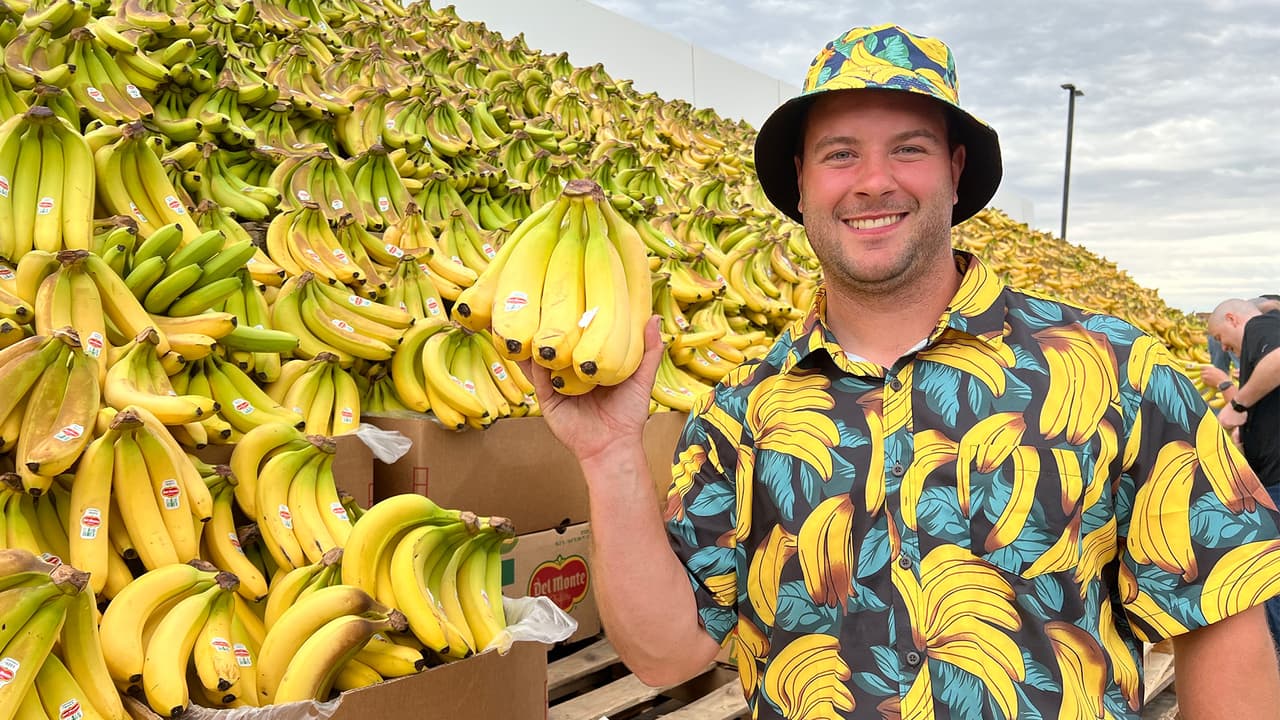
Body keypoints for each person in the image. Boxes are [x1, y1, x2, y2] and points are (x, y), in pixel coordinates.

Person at [525, 24, 1280, 719]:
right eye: (840, 153)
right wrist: (610, 456)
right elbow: (666, 653)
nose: (874, 181)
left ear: (955, 172)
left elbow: (1221, 621)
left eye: (909, 149)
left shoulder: (1112, 369)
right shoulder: (741, 414)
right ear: (801, 184)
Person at [1206, 297, 1280, 654]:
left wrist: (1237, 405)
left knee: (1271, 577)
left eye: (1221, 337)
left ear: (1234, 318)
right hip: (1272, 475)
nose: (1224, 348)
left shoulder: (1259, 328)